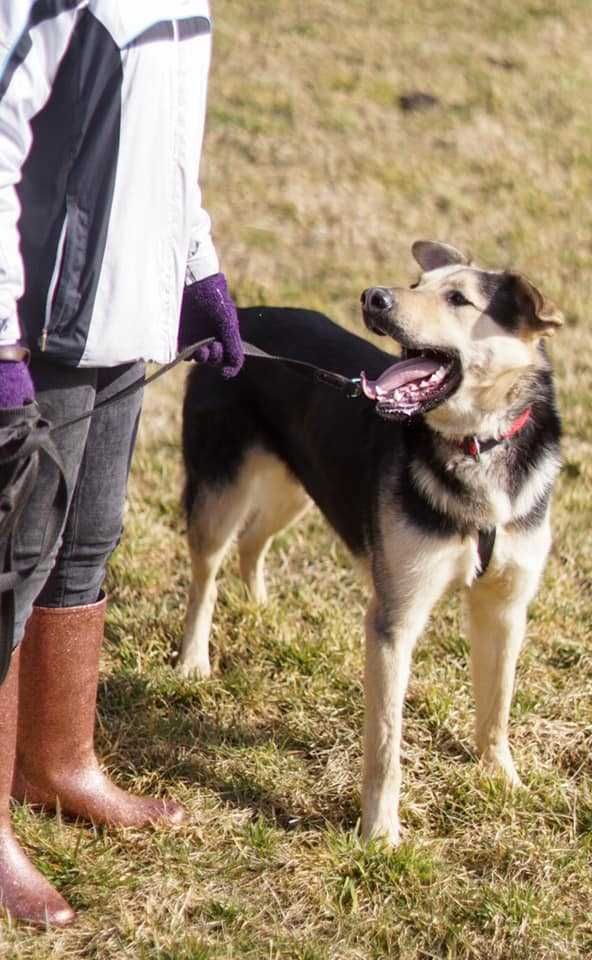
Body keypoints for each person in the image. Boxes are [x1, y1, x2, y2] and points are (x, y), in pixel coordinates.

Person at [0, 1, 243, 926]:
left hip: (124, 322)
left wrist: (196, 268)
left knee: (88, 543)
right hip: (41, 327)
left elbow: (171, 144)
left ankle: (59, 765)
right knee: (12, 569)